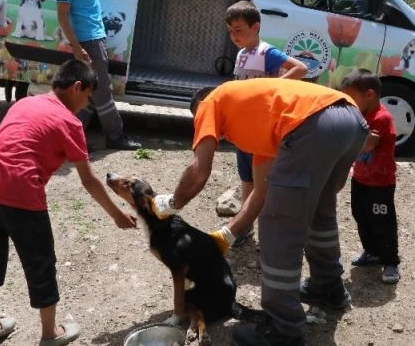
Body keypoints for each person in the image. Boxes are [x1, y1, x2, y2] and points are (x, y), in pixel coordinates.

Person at [153, 78, 369, 346]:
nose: (205, 130)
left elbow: (199, 170)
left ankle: (283, 329)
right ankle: (328, 288)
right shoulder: (261, 120)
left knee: (278, 224)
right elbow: (262, 191)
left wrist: (173, 202)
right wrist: (228, 233)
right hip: (349, 121)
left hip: (314, 126)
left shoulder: (210, 101)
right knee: (319, 211)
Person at [0, 59, 137, 346]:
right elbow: (88, 179)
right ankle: (49, 334)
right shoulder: (69, 122)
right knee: (40, 263)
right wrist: (116, 213)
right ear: (76, 87)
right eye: (86, 98)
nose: (85, 105)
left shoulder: (23, 104)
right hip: (22, 190)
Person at [225, 1, 308, 245]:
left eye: (239, 29)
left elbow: (300, 68)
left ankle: (268, 234)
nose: (234, 35)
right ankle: (245, 227)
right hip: (243, 128)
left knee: (263, 182)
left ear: (256, 27)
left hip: (262, 130)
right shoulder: (241, 54)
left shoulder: (266, 52)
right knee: (246, 178)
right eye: (230, 31)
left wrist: (273, 88)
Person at [55, 0, 141, 150]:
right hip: (88, 42)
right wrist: (77, 47)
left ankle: (72, 140)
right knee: (102, 90)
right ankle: (115, 135)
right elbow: (63, 16)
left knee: (89, 92)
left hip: (96, 39)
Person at [341, 69, 401, 284]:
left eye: (352, 97)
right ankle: (371, 251)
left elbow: (369, 143)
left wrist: (351, 134)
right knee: (361, 217)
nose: (350, 102)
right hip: (361, 178)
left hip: (380, 182)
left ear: (369, 94)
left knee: (382, 222)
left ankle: (390, 261)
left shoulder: (381, 117)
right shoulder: (362, 114)